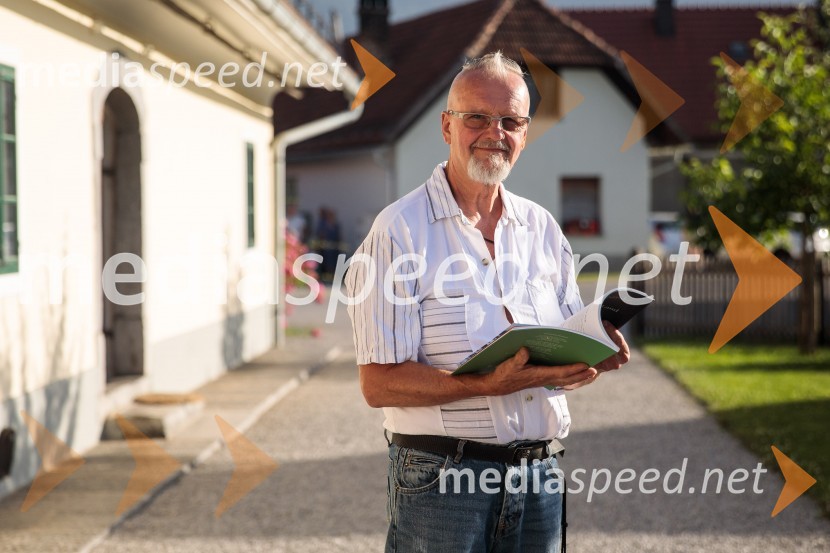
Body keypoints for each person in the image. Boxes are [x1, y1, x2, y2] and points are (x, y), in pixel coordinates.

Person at [344, 52, 630, 553]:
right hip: (442, 481)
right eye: (476, 117)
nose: (494, 132)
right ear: (446, 126)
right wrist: (484, 384)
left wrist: (590, 354)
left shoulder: (542, 227)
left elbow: (558, 344)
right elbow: (378, 384)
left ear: (524, 132)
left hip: (539, 474)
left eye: (511, 121)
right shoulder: (399, 230)